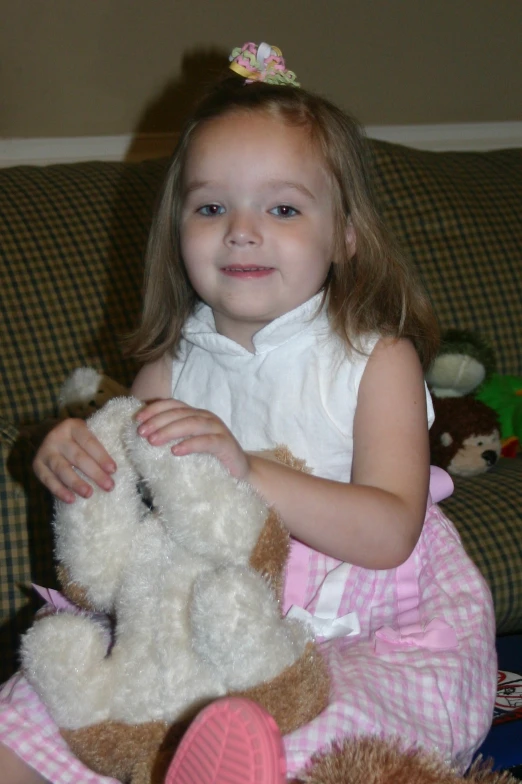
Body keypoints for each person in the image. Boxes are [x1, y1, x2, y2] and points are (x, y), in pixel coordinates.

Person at [0, 42, 496, 784]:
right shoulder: (168, 369)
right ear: (179, 231)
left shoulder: (374, 359)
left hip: (363, 632)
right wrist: (74, 459)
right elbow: (130, 521)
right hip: (194, 622)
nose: (241, 228)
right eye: (210, 207)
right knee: (34, 708)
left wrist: (246, 469)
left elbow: (392, 530)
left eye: (284, 207)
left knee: (316, 733)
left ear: (346, 236)